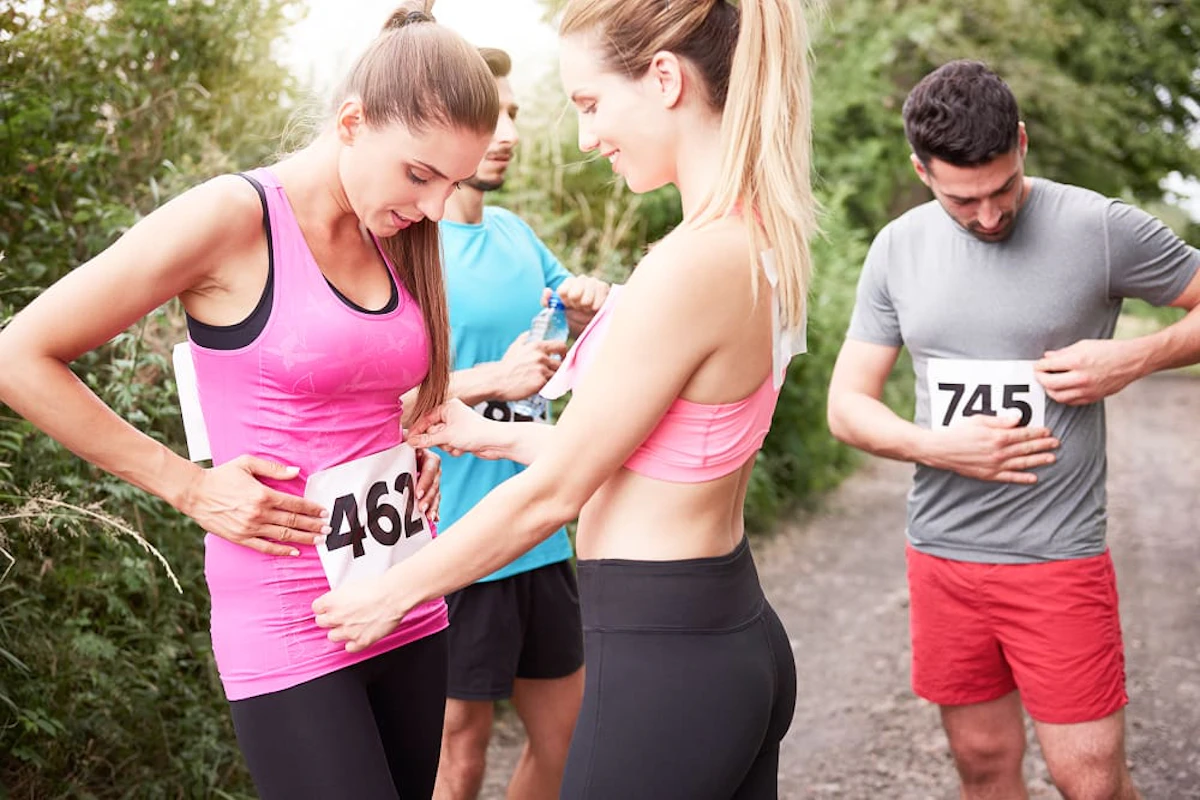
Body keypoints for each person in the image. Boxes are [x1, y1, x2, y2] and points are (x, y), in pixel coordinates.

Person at [312, 0, 817, 797]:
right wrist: (495, 435)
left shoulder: (690, 264)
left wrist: (392, 594)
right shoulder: (754, 237)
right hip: (718, 633)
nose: (587, 138)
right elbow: (647, 460)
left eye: (589, 104)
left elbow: (557, 494)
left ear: (663, 79)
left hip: (666, 655)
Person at [0, 6, 499, 799]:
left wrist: (407, 449)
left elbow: (361, 386)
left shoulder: (394, 231)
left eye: (454, 183)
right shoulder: (233, 218)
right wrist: (188, 486)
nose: (437, 206)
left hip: (404, 595)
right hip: (286, 621)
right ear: (351, 121)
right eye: (420, 174)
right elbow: (19, 357)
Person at [826, 60, 1200, 800]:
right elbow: (846, 406)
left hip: (1058, 560)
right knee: (984, 765)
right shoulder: (897, 248)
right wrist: (936, 445)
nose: (990, 216)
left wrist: (1132, 358)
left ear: (1021, 142)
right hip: (943, 558)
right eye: (964, 199)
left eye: (1002, 189)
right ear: (921, 170)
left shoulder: (1098, 226)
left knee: (1088, 779)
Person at [422, 46, 607, 800]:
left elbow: (583, 322)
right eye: (490, 115)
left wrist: (593, 305)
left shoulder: (517, 236)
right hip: (457, 543)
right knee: (458, 757)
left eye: (514, 115)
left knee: (568, 739)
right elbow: (378, 396)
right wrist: (490, 378)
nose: (507, 133)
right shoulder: (410, 248)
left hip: (538, 533)